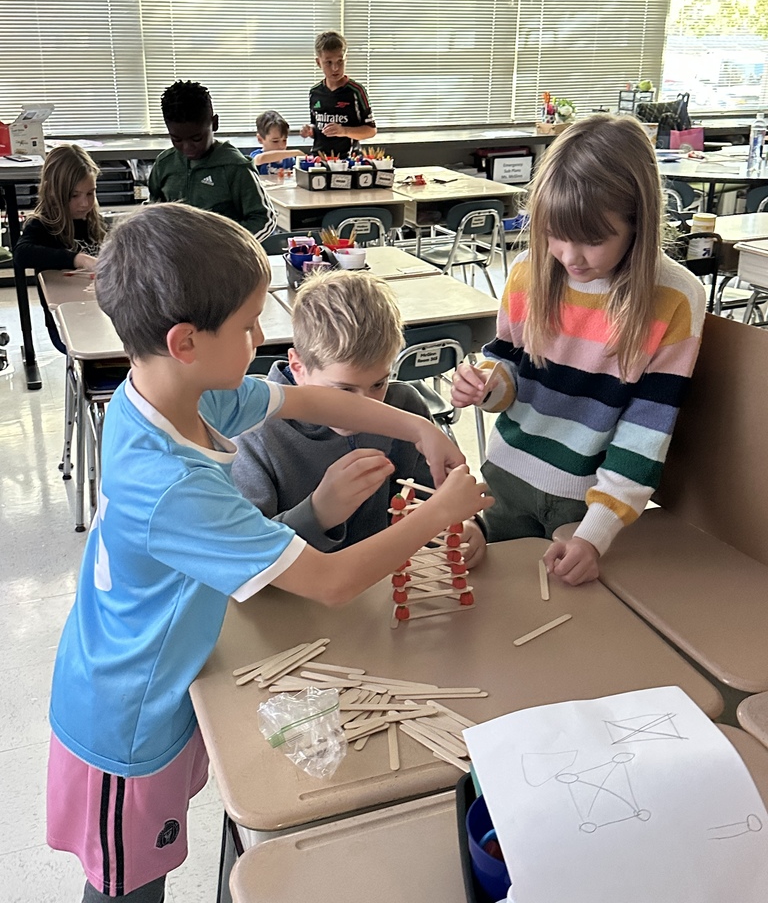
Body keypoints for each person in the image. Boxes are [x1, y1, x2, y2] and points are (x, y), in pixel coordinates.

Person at [46, 202, 491, 903]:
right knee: (127, 887)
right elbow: (331, 582)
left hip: (173, 677)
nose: (262, 335)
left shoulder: (186, 396)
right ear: (186, 341)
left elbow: (315, 405)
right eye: (249, 322)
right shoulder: (171, 482)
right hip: (125, 717)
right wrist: (438, 512)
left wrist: (421, 428)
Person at [451, 113, 706, 587]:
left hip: (587, 503)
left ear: (637, 224)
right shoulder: (528, 271)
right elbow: (508, 364)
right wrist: (486, 384)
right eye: (554, 233)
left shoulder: (675, 297)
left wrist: (595, 534)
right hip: (506, 475)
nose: (570, 256)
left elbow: (645, 434)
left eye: (593, 240)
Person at [232, 269, 487, 566]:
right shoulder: (254, 432)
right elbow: (245, 556)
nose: (365, 407)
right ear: (298, 367)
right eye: (344, 390)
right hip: (299, 591)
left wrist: (463, 527)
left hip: (386, 584)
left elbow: (432, 501)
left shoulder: (405, 405)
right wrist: (318, 513)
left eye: (379, 383)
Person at [148, 80, 276, 240]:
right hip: (177, 252)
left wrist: (231, 245)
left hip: (225, 252)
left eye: (196, 138)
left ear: (214, 123)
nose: (187, 147)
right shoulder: (164, 164)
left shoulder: (235, 167)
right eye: (177, 139)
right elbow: (152, 212)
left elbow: (264, 219)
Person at [14, 144, 104, 353]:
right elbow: (21, 253)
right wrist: (78, 259)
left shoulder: (93, 221)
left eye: (90, 193)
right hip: (67, 322)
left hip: (98, 311)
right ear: (54, 192)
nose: (84, 203)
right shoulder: (42, 225)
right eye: (74, 195)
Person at [299, 30, 376, 157]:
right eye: (328, 62)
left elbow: (371, 130)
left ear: (346, 59)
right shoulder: (314, 92)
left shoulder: (356, 91)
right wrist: (309, 130)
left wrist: (344, 131)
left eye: (340, 61)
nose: (335, 68)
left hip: (348, 159)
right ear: (318, 62)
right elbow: (317, 127)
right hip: (319, 158)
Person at [250, 109, 304, 175]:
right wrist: (297, 152)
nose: (281, 145)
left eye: (284, 140)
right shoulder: (256, 155)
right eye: (275, 141)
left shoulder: (289, 160)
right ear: (260, 139)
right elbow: (260, 159)